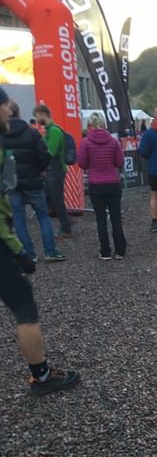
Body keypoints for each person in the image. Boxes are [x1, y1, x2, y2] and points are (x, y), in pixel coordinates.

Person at [0, 87, 80, 396]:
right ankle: (42, 377)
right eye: (5, 106)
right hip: (27, 192)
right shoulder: (33, 134)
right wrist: (19, 252)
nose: (10, 111)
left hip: (16, 196)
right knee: (24, 305)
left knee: (21, 217)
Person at [5, 100, 66, 263]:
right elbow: (44, 155)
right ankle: (50, 251)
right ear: (19, 112)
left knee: (19, 218)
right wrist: (39, 169)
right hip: (33, 180)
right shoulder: (32, 133)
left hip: (12, 183)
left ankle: (29, 254)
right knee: (43, 216)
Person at [77, 112, 126, 260]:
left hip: (96, 184)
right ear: (104, 124)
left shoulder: (85, 142)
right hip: (112, 182)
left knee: (101, 219)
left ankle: (105, 251)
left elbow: (81, 163)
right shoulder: (113, 142)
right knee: (116, 218)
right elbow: (120, 163)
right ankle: (120, 250)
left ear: (90, 125)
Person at [32, 103, 72, 238]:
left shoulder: (54, 131)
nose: (37, 120)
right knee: (50, 197)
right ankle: (65, 221)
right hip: (52, 170)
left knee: (56, 199)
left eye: (37, 116)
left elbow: (50, 152)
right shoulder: (50, 131)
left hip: (57, 170)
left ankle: (66, 227)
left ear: (43, 114)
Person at [139, 106, 157, 232]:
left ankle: (154, 223)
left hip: (154, 168)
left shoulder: (149, 133)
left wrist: (150, 156)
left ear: (154, 117)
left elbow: (143, 151)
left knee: (154, 194)